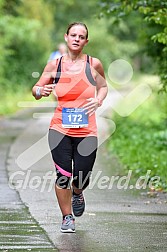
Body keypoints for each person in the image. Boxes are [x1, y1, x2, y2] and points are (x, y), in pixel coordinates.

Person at [32, 22, 108, 233]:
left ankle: (78, 192)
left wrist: (98, 100)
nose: (76, 39)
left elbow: (103, 87)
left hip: (87, 131)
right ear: (66, 37)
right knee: (62, 175)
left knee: (82, 175)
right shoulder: (54, 65)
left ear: (86, 41)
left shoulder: (94, 64)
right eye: (73, 35)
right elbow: (35, 89)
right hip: (59, 129)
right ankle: (67, 217)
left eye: (81, 36)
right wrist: (41, 91)